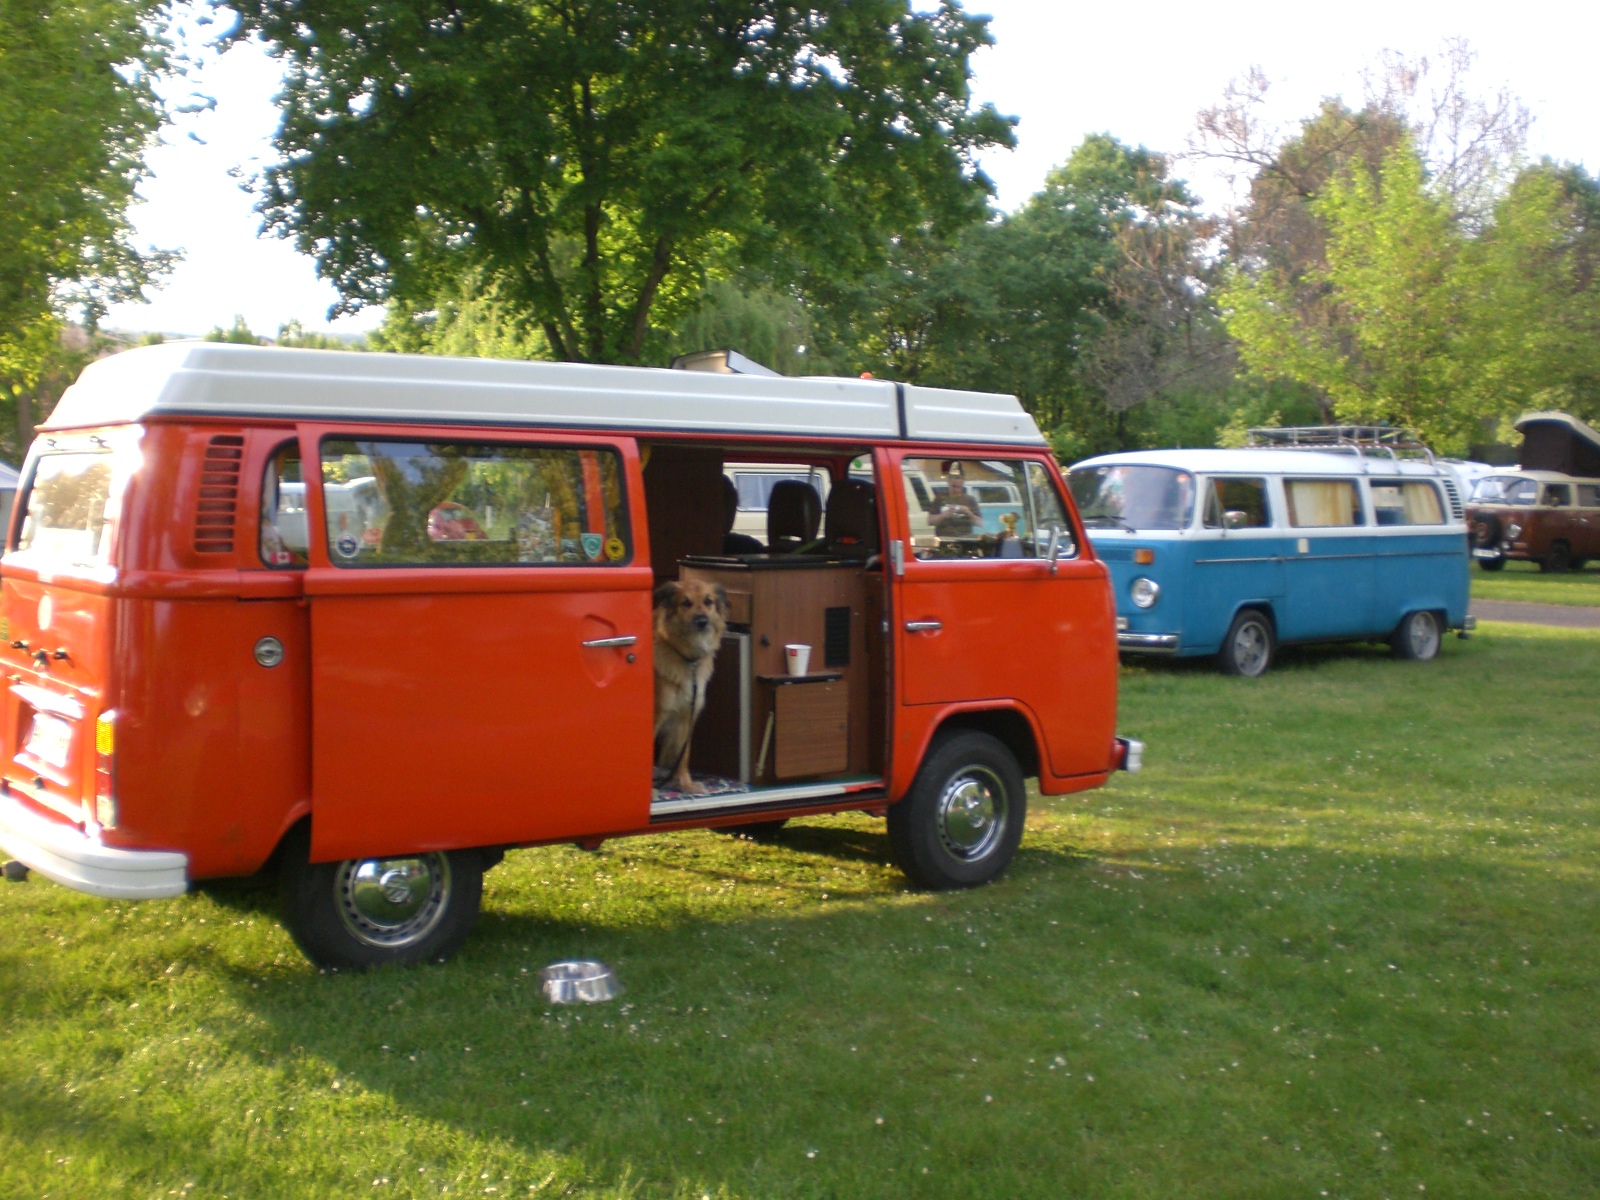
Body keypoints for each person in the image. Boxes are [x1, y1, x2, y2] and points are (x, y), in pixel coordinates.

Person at [931, 461, 982, 537]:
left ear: (963, 481)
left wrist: (968, 512)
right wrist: (944, 515)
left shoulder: (970, 500)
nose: (956, 481)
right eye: (953, 477)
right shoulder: (939, 498)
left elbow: (979, 523)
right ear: (948, 480)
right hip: (944, 539)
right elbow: (930, 521)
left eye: (959, 478)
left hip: (965, 539)